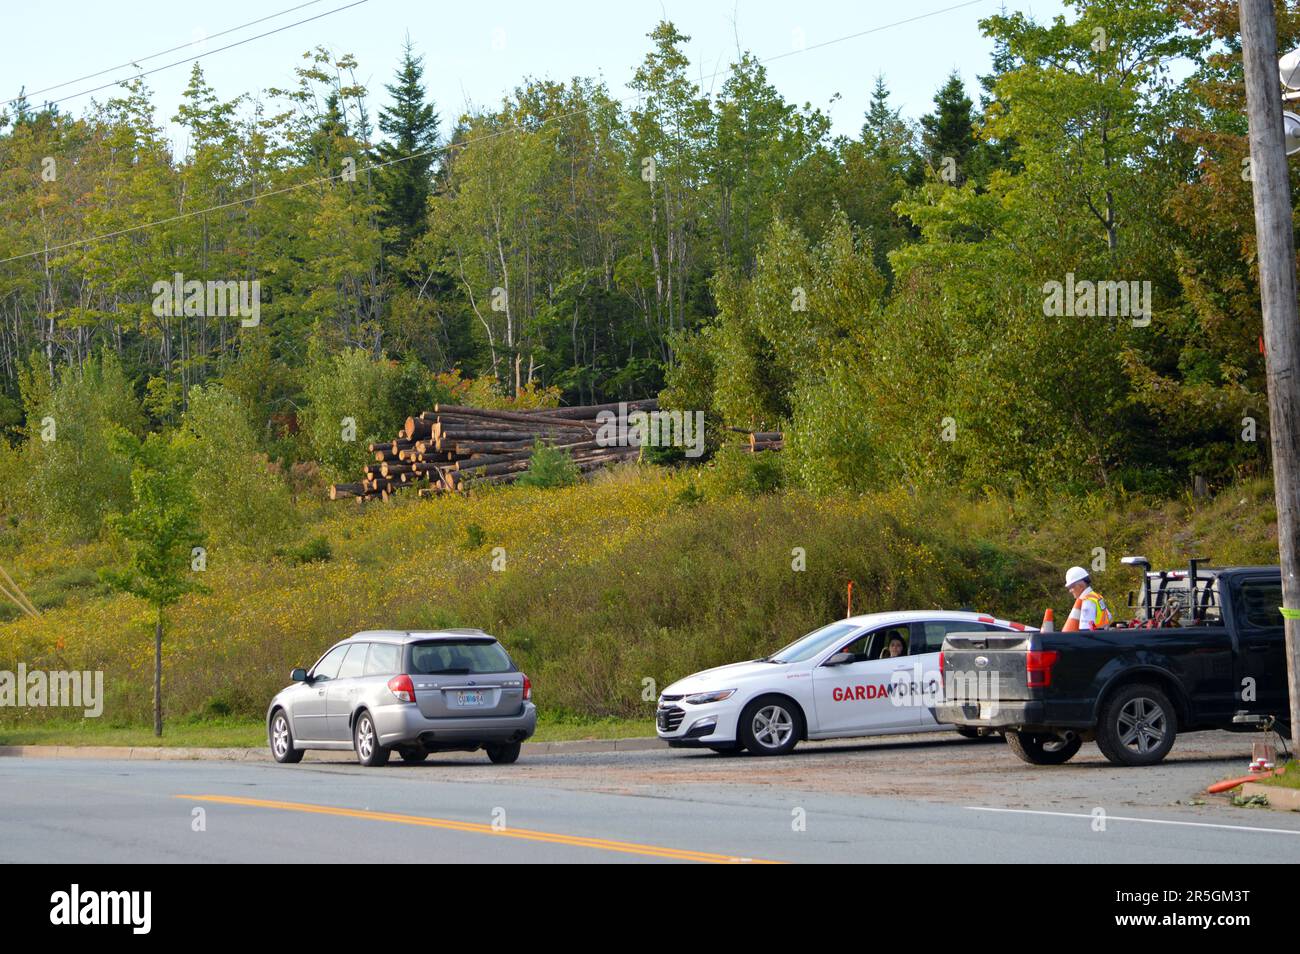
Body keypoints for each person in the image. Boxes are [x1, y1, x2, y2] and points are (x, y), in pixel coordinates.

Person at [1065, 565, 1112, 630]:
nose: (1070, 591)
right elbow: (1108, 616)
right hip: (1101, 635)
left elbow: (1084, 629)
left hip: (1093, 638)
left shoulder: (1087, 601)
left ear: (1080, 586)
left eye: (1071, 587)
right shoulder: (1097, 597)